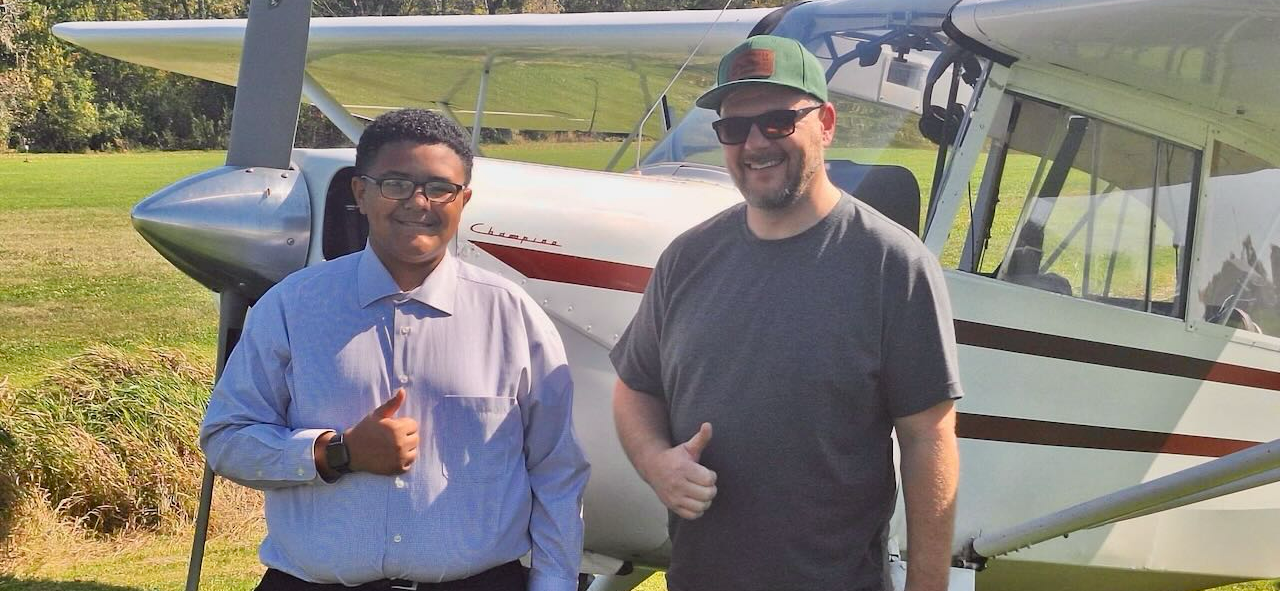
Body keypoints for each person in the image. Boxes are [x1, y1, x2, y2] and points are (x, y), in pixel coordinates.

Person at [610, 35, 962, 591]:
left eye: (777, 121)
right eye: (733, 128)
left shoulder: (893, 265)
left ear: (824, 123)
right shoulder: (686, 259)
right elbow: (635, 388)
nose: (753, 143)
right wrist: (657, 463)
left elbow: (928, 440)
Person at [201, 109, 589, 591]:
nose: (419, 202)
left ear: (463, 199)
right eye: (396, 184)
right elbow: (227, 440)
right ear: (360, 193)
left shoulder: (513, 315)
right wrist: (334, 453)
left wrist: (554, 584)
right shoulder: (291, 307)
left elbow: (556, 469)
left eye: (439, 188)